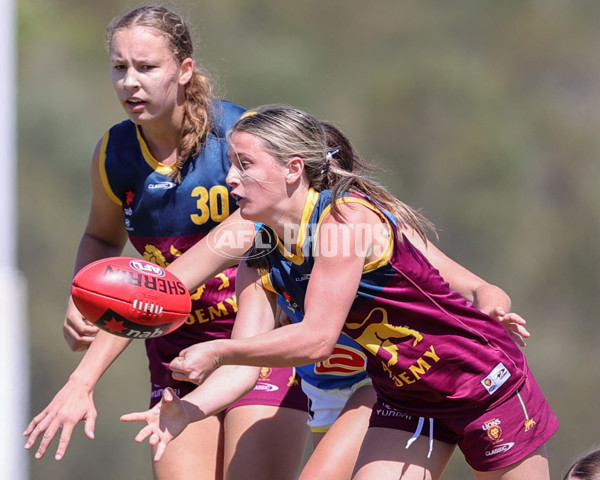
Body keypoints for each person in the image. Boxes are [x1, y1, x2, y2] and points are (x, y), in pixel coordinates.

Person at [120, 105, 557, 480]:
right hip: (407, 396)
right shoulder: (264, 252)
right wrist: (190, 409)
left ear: (293, 169)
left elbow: (317, 339)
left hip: (481, 383)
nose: (230, 178)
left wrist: (218, 352)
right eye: (230, 164)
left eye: (244, 164)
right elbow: (244, 366)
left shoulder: (344, 221)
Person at [23, 10, 309, 480]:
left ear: (185, 70)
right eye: (120, 68)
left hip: (256, 346)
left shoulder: (241, 142)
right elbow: (100, 236)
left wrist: (82, 380)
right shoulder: (114, 155)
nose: (130, 83)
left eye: (147, 67)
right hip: (177, 359)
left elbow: (161, 289)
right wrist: (84, 296)